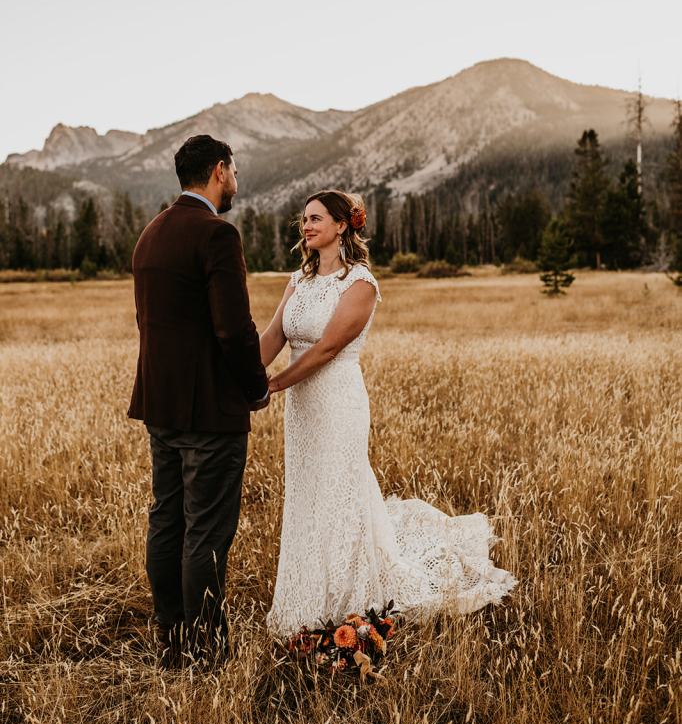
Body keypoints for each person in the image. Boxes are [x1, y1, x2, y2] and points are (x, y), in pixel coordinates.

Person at [259, 189, 516, 637]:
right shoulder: (297, 281)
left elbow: (329, 346)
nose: (307, 225)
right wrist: (243, 376)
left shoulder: (360, 283)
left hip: (337, 401)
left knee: (339, 491)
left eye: (317, 218)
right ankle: (306, 598)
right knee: (306, 493)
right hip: (302, 411)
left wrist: (276, 383)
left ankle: (349, 597)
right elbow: (274, 335)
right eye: (304, 219)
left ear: (342, 226)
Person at [128, 134, 269, 667]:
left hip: (160, 407)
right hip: (210, 411)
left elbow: (151, 323)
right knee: (206, 531)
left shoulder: (151, 234)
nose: (235, 181)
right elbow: (233, 330)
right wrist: (255, 388)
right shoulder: (217, 234)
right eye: (233, 171)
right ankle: (205, 649)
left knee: (167, 520)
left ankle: (169, 634)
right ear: (218, 170)